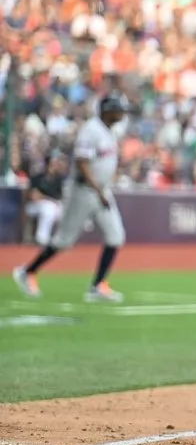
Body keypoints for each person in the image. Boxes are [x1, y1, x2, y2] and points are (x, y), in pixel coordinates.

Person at [12, 94, 129, 302]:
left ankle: (98, 285)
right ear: (107, 111)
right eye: (118, 110)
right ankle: (28, 272)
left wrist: (102, 188)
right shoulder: (92, 130)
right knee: (64, 240)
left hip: (101, 190)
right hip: (82, 191)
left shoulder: (109, 131)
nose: (121, 114)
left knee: (115, 236)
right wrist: (98, 189)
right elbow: (83, 163)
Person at [23, 153, 68, 246]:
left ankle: (61, 239)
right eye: (52, 164)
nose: (53, 167)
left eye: (55, 164)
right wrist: (36, 196)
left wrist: (43, 196)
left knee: (62, 211)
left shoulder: (59, 179)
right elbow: (31, 195)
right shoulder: (37, 178)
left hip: (54, 204)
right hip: (35, 206)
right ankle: (41, 238)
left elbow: (59, 196)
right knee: (47, 208)